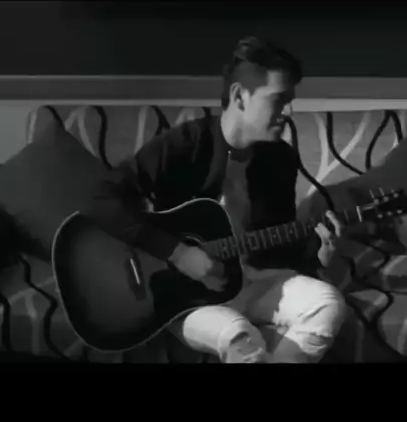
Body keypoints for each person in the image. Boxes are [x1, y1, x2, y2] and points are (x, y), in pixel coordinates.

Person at [90, 36, 349, 363]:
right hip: (183, 294)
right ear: (240, 96)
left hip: (254, 281)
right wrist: (178, 253)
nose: (289, 112)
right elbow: (100, 200)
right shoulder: (184, 143)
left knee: (327, 304)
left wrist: (319, 255)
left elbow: (280, 244)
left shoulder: (280, 159)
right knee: (240, 336)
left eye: (290, 101)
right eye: (279, 100)